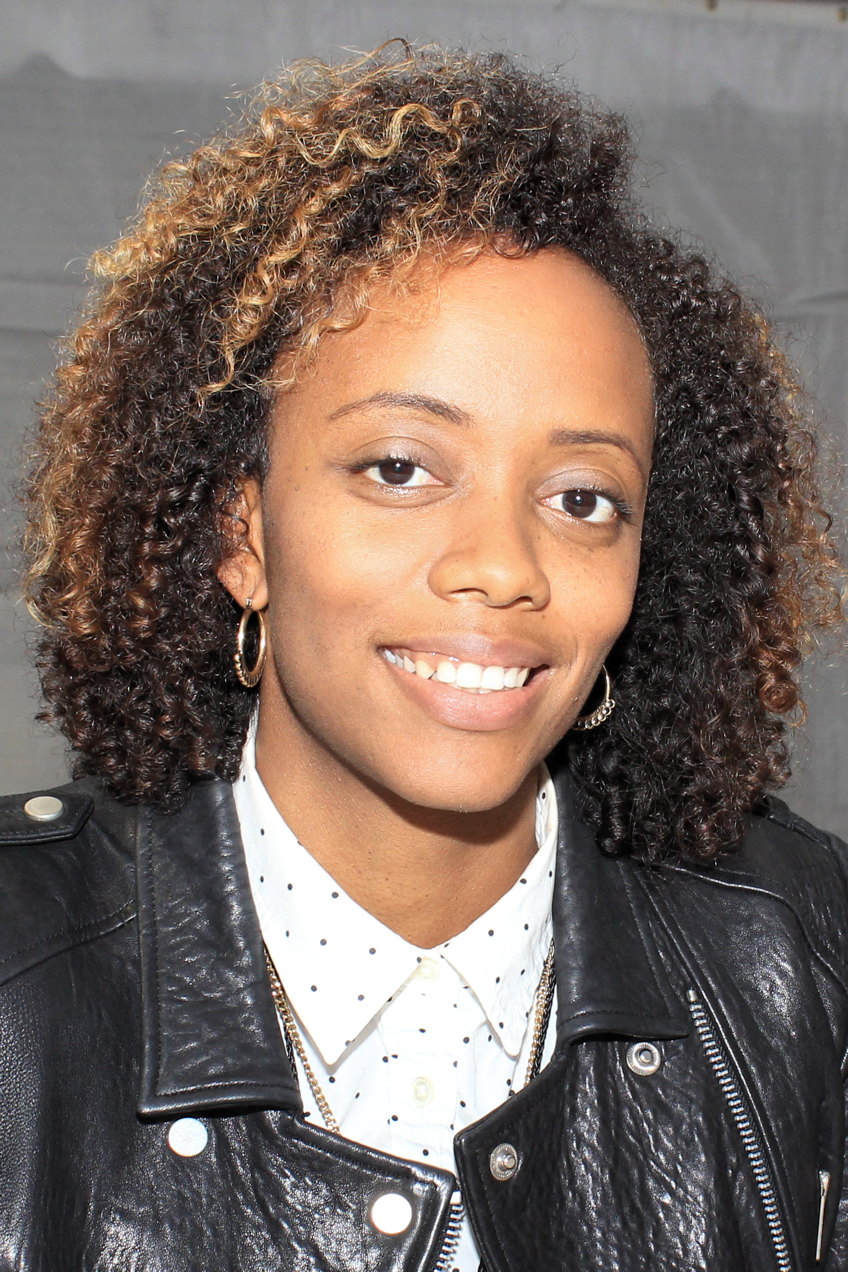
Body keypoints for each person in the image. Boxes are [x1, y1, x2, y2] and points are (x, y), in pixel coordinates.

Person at [2, 43, 846, 1271]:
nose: (500, 565)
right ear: (242, 535)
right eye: (398, 468)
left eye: (581, 497)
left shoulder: (805, 958)